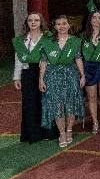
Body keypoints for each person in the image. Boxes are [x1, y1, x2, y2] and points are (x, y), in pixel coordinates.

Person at [39, 15, 85, 148]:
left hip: (70, 74)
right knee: (57, 105)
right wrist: (41, 79)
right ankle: (62, 133)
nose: (62, 26)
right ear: (55, 27)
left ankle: (69, 130)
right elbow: (43, 61)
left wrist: (82, 75)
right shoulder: (48, 42)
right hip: (52, 76)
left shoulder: (75, 41)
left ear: (69, 25)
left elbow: (78, 58)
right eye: (58, 24)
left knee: (70, 104)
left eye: (64, 23)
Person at [12, 12, 55, 143]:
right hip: (27, 73)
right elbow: (19, 59)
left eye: (36, 20)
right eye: (30, 20)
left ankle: (49, 132)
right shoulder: (21, 40)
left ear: (41, 22)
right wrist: (16, 78)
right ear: (27, 23)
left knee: (46, 102)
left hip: (44, 72)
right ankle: (33, 134)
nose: (33, 22)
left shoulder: (48, 38)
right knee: (29, 103)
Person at [81, 11, 100, 135]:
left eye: (99, 18)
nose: (97, 20)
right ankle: (95, 122)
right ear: (90, 19)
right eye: (94, 17)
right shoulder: (82, 36)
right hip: (88, 68)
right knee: (92, 97)